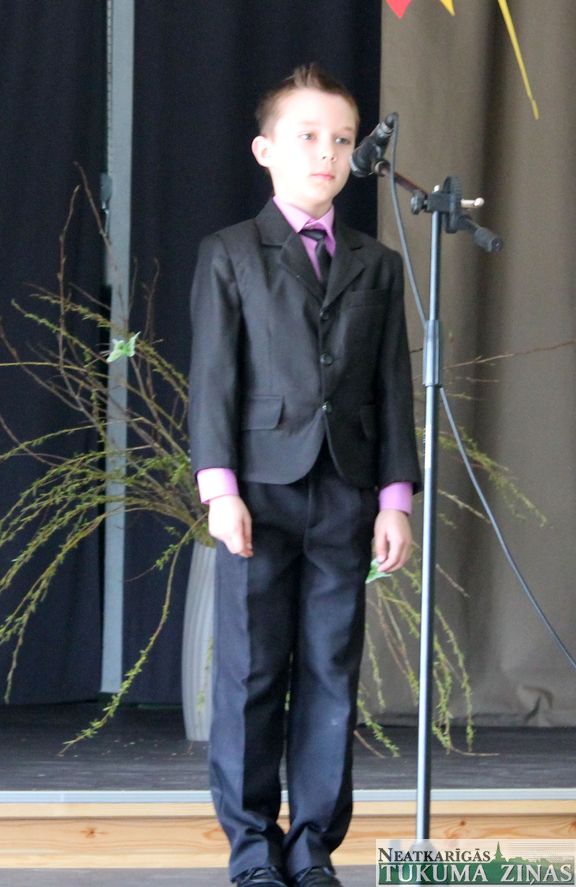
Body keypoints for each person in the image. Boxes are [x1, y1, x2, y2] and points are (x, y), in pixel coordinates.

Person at [188, 63, 421, 887]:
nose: (328, 153)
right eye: (309, 136)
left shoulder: (376, 263)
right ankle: (253, 846)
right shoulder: (231, 253)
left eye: (343, 140)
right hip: (259, 489)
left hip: (345, 491)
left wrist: (394, 499)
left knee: (330, 667)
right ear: (265, 150)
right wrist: (219, 490)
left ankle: (313, 843)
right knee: (252, 670)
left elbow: (391, 384)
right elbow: (213, 381)